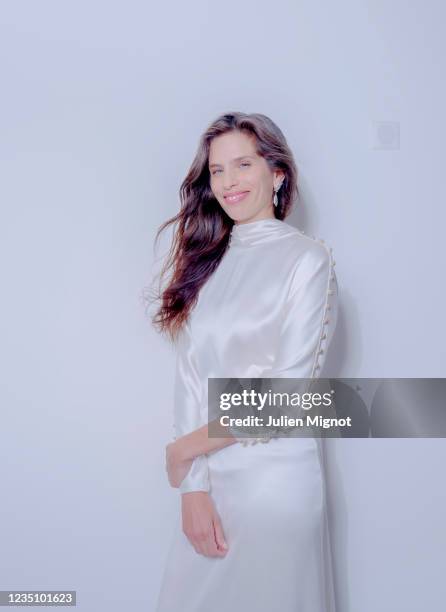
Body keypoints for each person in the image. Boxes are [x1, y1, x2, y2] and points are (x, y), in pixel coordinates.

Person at [149, 111, 338, 611]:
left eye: (243, 165)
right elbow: (190, 378)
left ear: (277, 174)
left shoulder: (306, 261)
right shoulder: (206, 264)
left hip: (275, 485)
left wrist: (182, 450)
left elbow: (288, 397)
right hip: (211, 483)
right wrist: (192, 486)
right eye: (217, 170)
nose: (229, 182)